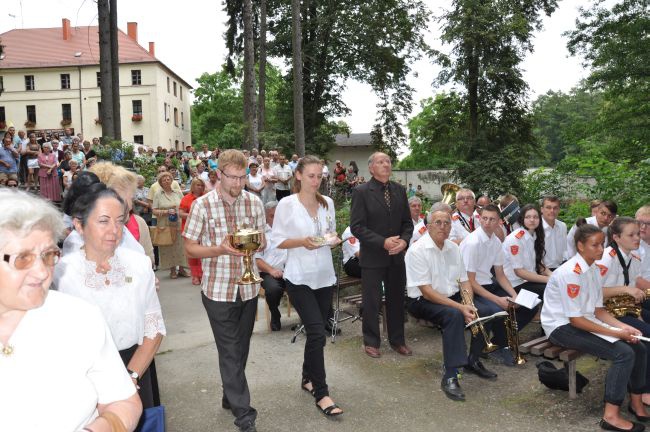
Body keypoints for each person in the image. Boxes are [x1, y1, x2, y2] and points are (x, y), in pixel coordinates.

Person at [1, 189, 143, 431]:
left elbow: (123, 401)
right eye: (22, 258)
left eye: (48, 255)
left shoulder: (78, 317)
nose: (43, 272)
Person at [55, 185, 166, 410]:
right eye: (103, 221)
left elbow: (153, 328)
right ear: (79, 225)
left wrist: (130, 376)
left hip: (135, 367)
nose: (114, 230)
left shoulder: (139, 265)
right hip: (82, 378)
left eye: (120, 221)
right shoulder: (60, 273)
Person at [183, 149, 265, 432]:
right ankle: (245, 416)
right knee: (230, 350)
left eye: (242, 177)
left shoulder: (254, 202)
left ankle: (229, 394)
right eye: (232, 177)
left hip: (249, 288)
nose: (238, 183)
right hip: (217, 290)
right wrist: (219, 248)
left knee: (240, 348)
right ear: (219, 174)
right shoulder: (202, 206)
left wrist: (254, 243)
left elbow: (263, 241)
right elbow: (190, 247)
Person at [542, 223, 649, 432]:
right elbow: (576, 321)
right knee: (624, 353)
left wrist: (624, 328)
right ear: (580, 246)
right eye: (595, 245)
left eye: (602, 244)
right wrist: (618, 333)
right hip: (560, 327)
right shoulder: (570, 273)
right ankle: (610, 416)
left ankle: (636, 403)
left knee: (640, 347)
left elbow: (599, 311)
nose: (601, 249)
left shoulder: (593, 268)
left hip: (582, 320)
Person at [272, 155, 344, 417]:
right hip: (299, 277)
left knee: (316, 329)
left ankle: (306, 377)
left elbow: (332, 233)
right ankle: (322, 393)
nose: (316, 181)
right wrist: (303, 241)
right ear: (299, 175)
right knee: (317, 332)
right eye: (311, 175)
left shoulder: (329, 204)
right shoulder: (287, 205)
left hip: (324, 276)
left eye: (320, 176)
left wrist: (333, 239)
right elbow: (277, 241)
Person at [405, 209, 498, 401]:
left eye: (447, 223)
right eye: (438, 222)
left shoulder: (453, 248)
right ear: (428, 226)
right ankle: (451, 375)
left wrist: (468, 304)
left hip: (451, 296)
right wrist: (460, 308)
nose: (443, 226)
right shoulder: (417, 250)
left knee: (486, 310)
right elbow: (427, 291)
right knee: (453, 316)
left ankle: (473, 360)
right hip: (421, 301)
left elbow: (464, 281)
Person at [350, 152, 413, 358]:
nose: (386, 164)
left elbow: (407, 223)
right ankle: (371, 341)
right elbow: (357, 227)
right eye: (380, 162)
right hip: (373, 256)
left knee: (396, 299)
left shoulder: (400, 190)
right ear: (371, 168)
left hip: (396, 256)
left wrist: (403, 241)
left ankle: (397, 340)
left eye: (388, 161)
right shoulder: (361, 191)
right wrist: (382, 242)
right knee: (372, 301)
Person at [460, 204, 538, 366]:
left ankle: (498, 343)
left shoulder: (495, 241)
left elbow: (500, 275)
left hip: (488, 283)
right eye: (484, 218)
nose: (487, 222)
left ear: (499, 223)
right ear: (480, 219)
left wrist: (514, 296)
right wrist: (498, 299)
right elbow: (470, 281)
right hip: (470, 287)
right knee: (499, 310)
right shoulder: (473, 242)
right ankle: (497, 346)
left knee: (529, 306)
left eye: (492, 219)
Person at [502, 204, 552, 298]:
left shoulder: (534, 235)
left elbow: (539, 264)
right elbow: (519, 272)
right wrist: (548, 279)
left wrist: (553, 275)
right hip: (515, 285)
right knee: (551, 289)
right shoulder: (515, 239)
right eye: (528, 217)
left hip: (529, 281)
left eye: (535, 217)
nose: (532, 220)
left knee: (556, 285)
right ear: (522, 219)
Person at [255, 201, 287, 331]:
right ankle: (275, 314)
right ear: (265, 217)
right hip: (268, 272)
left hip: (289, 270)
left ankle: (305, 318)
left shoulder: (288, 231)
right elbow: (257, 260)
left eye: (278, 215)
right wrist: (271, 270)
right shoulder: (261, 234)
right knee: (273, 290)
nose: (276, 219)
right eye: (272, 216)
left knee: (302, 286)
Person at [152, 171, 188, 279]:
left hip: (178, 222)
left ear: (172, 181)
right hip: (165, 223)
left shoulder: (177, 192)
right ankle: (172, 270)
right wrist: (166, 212)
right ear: (161, 182)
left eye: (168, 179)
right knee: (169, 246)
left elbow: (184, 206)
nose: (167, 181)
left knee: (181, 246)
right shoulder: (158, 194)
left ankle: (182, 269)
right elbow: (154, 211)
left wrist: (179, 211)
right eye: (164, 180)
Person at [179, 178, 206, 285]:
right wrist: (194, 216)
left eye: (201, 185)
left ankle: (203, 275)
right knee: (193, 254)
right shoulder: (186, 198)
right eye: (197, 185)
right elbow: (180, 213)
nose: (200, 187)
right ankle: (195, 275)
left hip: (204, 230)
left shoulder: (206, 197)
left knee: (203, 254)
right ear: (193, 186)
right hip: (190, 230)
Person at [541, 196, 568, 271]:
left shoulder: (562, 226)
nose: (552, 211)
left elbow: (565, 250)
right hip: (542, 270)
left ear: (559, 210)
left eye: (555, 208)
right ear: (542, 209)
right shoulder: (536, 228)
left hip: (561, 267)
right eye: (548, 207)